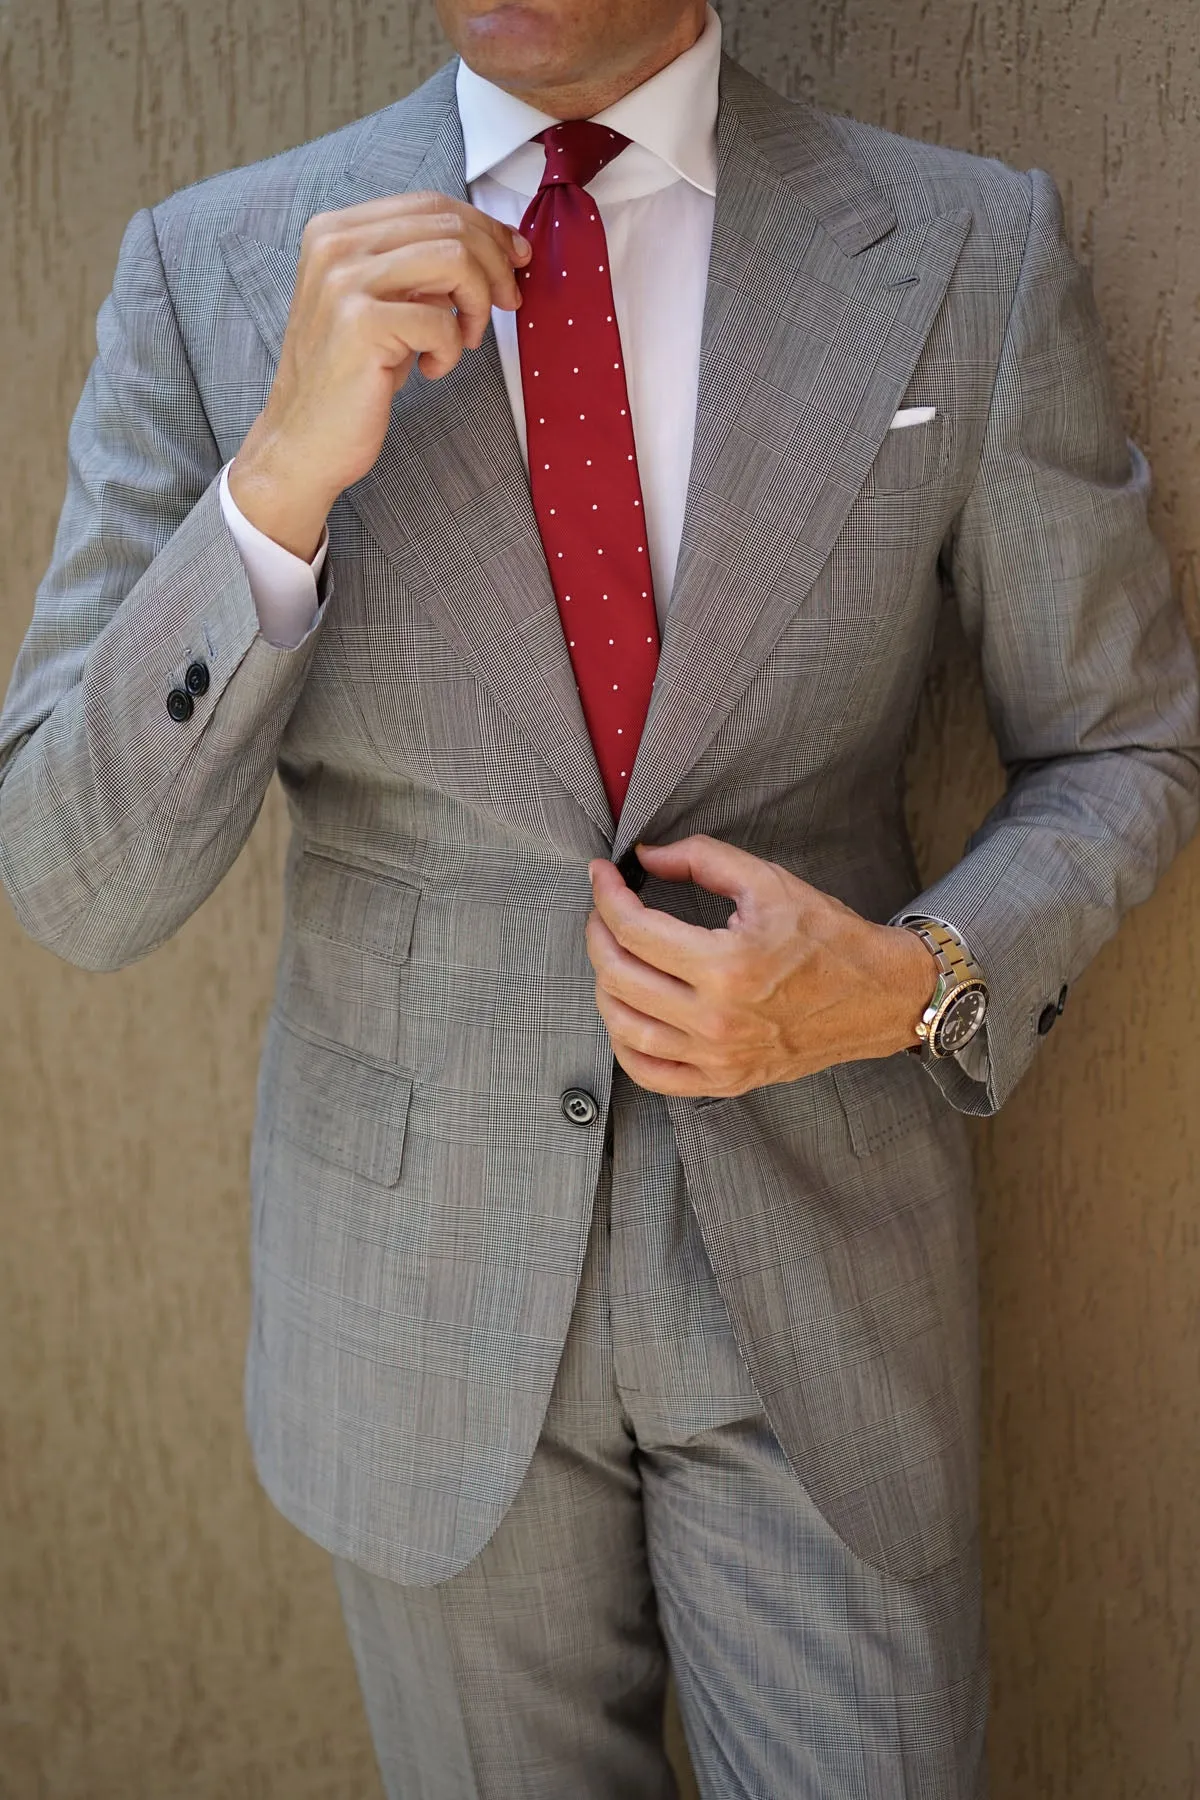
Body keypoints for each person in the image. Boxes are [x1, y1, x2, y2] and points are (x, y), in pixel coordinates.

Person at [1, 0, 1197, 1792]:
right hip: (416, 1321)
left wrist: (902, 982)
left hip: (823, 1298)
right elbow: (69, 881)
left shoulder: (965, 246)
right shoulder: (214, 270)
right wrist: (272, 492)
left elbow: (1124, 747)